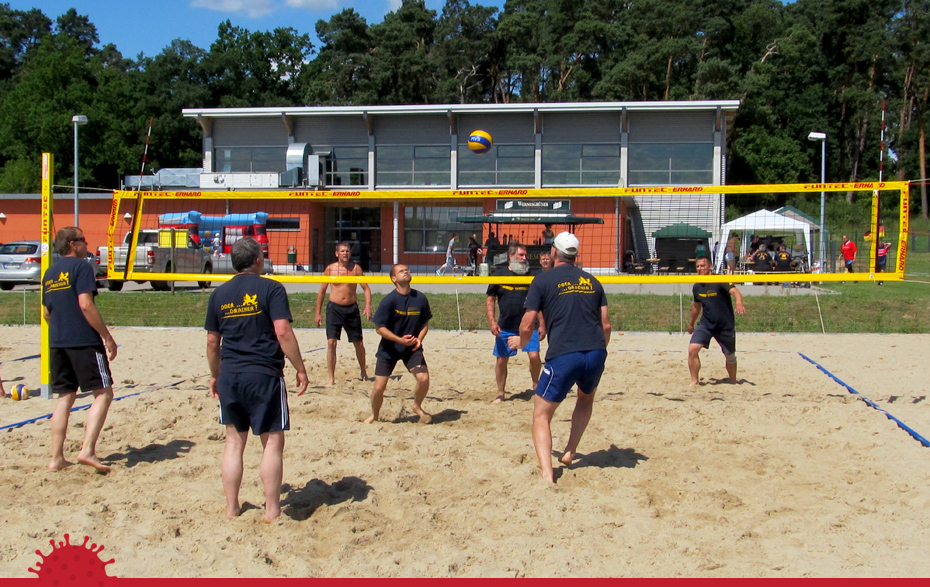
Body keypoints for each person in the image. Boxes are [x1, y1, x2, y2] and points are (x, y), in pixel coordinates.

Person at [205, 237, 309, 522]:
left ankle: (232, 508)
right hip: (263, 374)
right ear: (259, 260)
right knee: (272, 442)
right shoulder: (271, 288)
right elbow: (283, 331)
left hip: (230, 374)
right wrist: (300, 367)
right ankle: (272, 509)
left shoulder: (219, 294)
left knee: (233, 443)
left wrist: (215, 375)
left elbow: (213, 343)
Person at [513, 232, 610, 483]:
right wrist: (600, 350)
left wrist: (522, 343)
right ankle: (570, 451)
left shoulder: (543, 281)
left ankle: (547, 474)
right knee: (585, 399)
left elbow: (526, 324)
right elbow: (606, 326)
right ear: (575, 255)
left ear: (554, 253)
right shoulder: (593, 281)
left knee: (541, 415)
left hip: (565, 353)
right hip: (596, 352)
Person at [43, 226, 118, 473]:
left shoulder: (49, 273)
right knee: (104, 393)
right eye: (83, 240)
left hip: (57, 342)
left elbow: (46, 313)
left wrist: (62, 328)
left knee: (65, 397)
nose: (87, 244)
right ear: (73, 245)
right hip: (83, 341)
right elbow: (86, 305)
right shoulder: (81, 267)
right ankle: (87, 450)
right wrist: (107, 336)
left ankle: (56, 458)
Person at [367, 264, 433, 424]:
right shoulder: (389, 301)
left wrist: (419, 339)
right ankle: (374, 416)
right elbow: (379, 329)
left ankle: (417, 406)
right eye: (401, 271)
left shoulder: (420, 298)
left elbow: (425, 323)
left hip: (411, 348)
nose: (406, 272)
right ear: (394, 279)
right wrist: (399, 339)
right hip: (389, 349)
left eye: (407, 270)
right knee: (378, 388)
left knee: (423, 379)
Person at [486, 244, 544, 404]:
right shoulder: (499, 274)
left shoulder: (533, 275)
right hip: (505, 325)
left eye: (525, 255)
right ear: (511, 256)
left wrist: (542, 325)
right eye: (521, 255)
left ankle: (536, 385)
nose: (525, 258)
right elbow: (490, 299)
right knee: (501, 360)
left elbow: (539, 303)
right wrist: (492, 322)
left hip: (529, 325)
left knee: (534, 356)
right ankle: (500, 393)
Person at [315, 242, 373, 385]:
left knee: (358, 343)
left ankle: (363, 372)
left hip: (351, 309)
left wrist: (368, 306)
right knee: (331, 343)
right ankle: (331, 378)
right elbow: (322, 291)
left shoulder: (356, 268)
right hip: (334, 309)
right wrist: (318, 313)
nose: (345, 253)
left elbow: (366, 288)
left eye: (347, 251)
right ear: (337, 254)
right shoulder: (330, 269)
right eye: (342, 251)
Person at [687, 256, 746, 386]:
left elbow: (735, 292)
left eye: (702, 266)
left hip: (725, 324)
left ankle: (733, 381)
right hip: (706, 324)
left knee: (730, 356)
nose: (700, 269)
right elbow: (696, 307)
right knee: (692, 349)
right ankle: (694, 381)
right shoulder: (697, 286)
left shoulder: (720, 280)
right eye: (698, 266)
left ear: (710, 267)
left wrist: (739, 303)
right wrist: (691, 323)